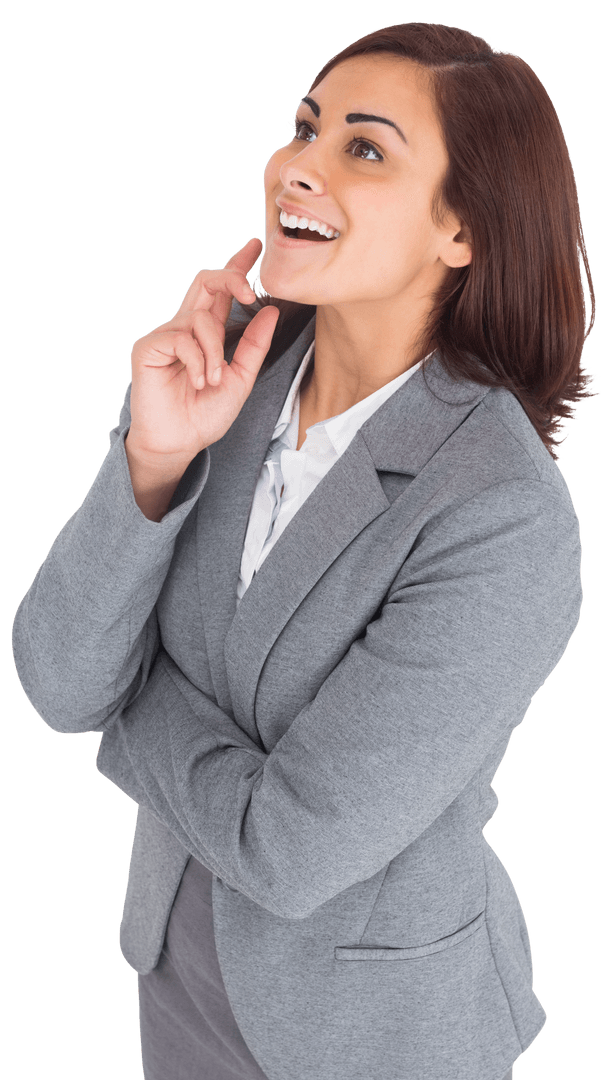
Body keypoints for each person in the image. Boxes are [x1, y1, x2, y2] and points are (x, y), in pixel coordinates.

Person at [11, 20, 597, 1080]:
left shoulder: (501, 514)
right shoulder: (224, 392)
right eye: (304, 128)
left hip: (371, 1030)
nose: (297, 166)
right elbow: (58, 680)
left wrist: (127, 705)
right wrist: (153, 456)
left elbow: (289, 852)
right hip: (175, 979)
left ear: (459, 229)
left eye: (363, 150)